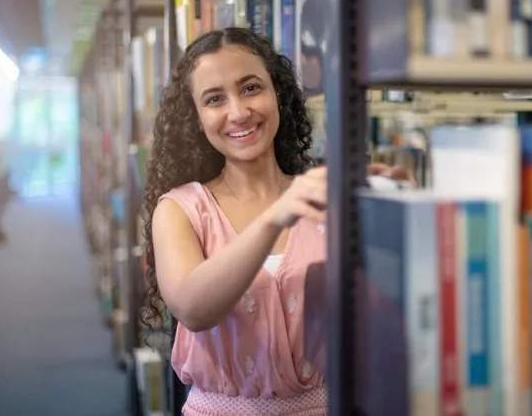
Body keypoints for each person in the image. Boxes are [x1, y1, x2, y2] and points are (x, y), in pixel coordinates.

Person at [141, 27, 410, 416]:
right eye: (215, 99)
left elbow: (385, 316)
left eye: (251, 88)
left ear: (278, 94)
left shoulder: (325, 194)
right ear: (197, 119)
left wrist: (406, 212)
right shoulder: (179, 209)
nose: (238, 112)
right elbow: (192, 308)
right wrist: (275, 217)